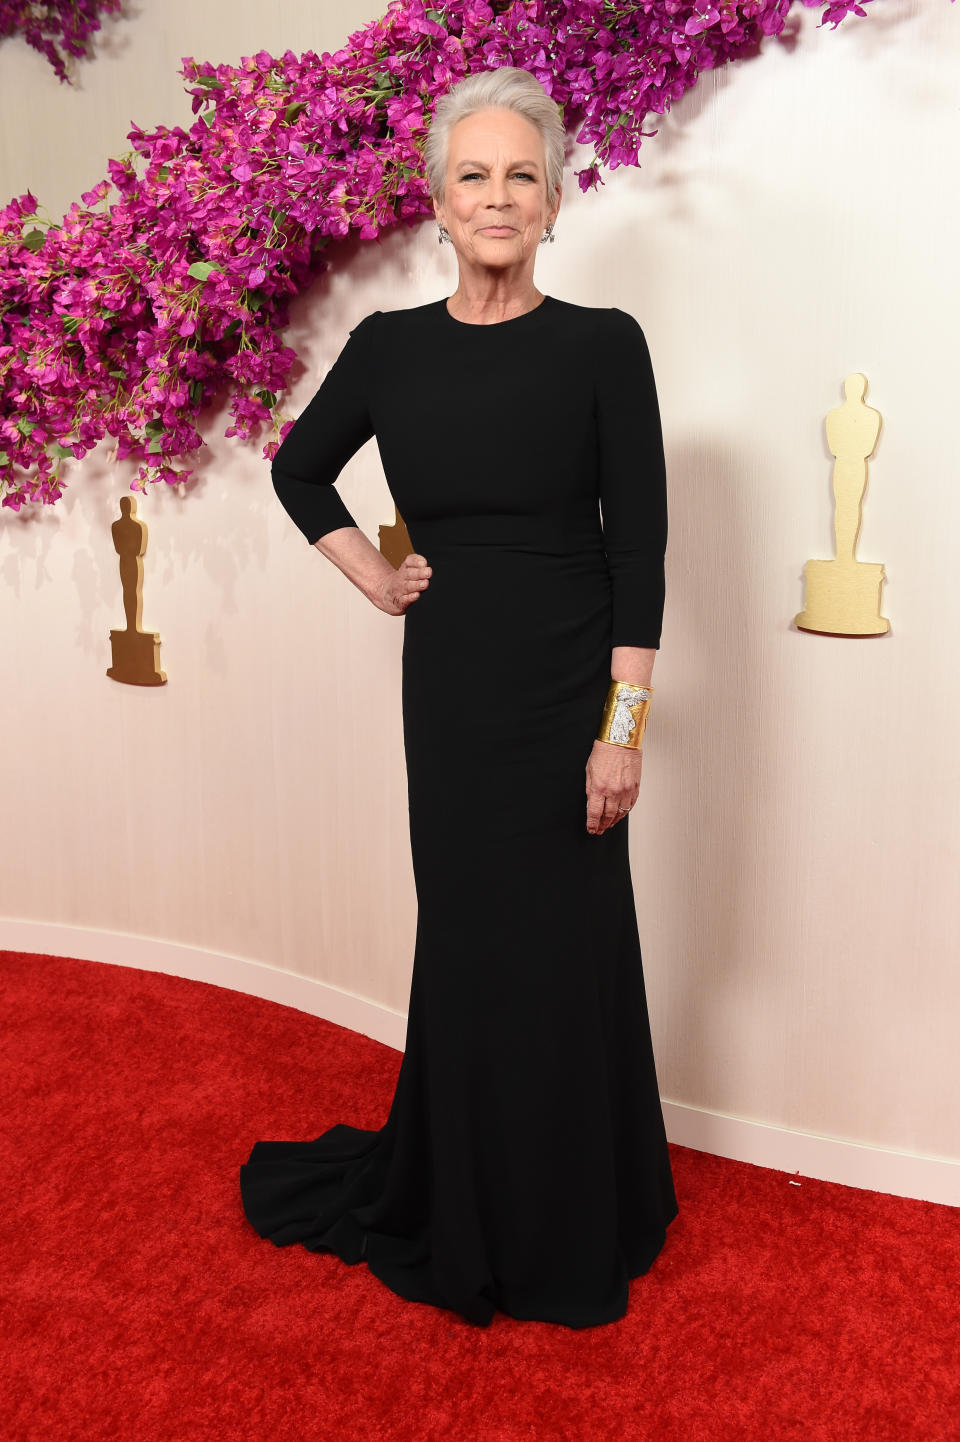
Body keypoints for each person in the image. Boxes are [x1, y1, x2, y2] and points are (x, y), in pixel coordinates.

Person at [239, 64, 679, 1329]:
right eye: (473, 175)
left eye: (522, 175)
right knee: (479, 951)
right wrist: (376, 576)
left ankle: (576, 1210)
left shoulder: (604, 344)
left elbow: (638, 552)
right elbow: (298, 470)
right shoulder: (388, 349)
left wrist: (623, 731)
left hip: (569, 703)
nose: (498, 197)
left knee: (573, 951)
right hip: (455, 696)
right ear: (438, 201)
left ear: (553, 203)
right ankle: (470, 1196)